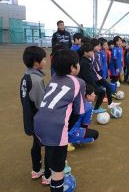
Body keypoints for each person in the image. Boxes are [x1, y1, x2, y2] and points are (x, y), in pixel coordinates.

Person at [34, 49, 85, 192]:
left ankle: (49, 173)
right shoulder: (78, 82)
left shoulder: (53, 78)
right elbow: (79, 111)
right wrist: (67, 129)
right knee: (58, 170)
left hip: (38, 122)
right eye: (77, 63)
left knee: (51, 155)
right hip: (56, 127)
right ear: (72, 68)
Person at [20, 46, 51, 185]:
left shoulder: (26, 77)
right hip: (39, 120)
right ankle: (48, 176)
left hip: (30, 118)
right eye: (44, 59)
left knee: (36, 144)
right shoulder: (36, 80)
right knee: (49, 145)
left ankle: (36, 170)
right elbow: (41, 105)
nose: (46, 61)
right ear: (35, 62)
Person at [78, 44, 120, 114]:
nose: (92, 53)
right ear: (85, 52)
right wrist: (94, 87)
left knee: (105, 88)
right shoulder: (84, 62)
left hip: (93, 80)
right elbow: (86, 77)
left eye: (92, 51)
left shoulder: (87, 60)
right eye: (90, 51)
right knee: (101, 92)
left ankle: (107, 104)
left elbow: (91, 72)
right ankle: (94, 109)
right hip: (87, 84)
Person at [68, 84, 99, 149]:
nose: (95, 95)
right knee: (95, 134)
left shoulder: (73, 100)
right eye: (93, 93)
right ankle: (69, 141)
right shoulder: (88, 106)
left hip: (60, 129)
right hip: (70, 132)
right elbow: (84, 125)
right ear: (87, 96)